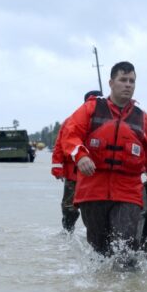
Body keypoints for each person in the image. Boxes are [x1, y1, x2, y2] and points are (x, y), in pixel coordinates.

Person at [62, 62, 147, 257]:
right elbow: (69, 134)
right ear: (111, 83)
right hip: (93, 189)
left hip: (127, 191)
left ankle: (127, 285)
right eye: (123, 80)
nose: (128, 85)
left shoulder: (142, 118)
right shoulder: (91, 109)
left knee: (125, 247)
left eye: (132, 81)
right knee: (99, 251)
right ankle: (101, 287)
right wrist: (80, 156)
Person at [51, 90, 102, 233]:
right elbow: (60, 146)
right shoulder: (72, 121)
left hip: (97, 174)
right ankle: (68, 231)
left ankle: (93, 235)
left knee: (94, 206)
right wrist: (57, 168)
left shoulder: (108, 120)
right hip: (74, 173)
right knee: (69, 207)